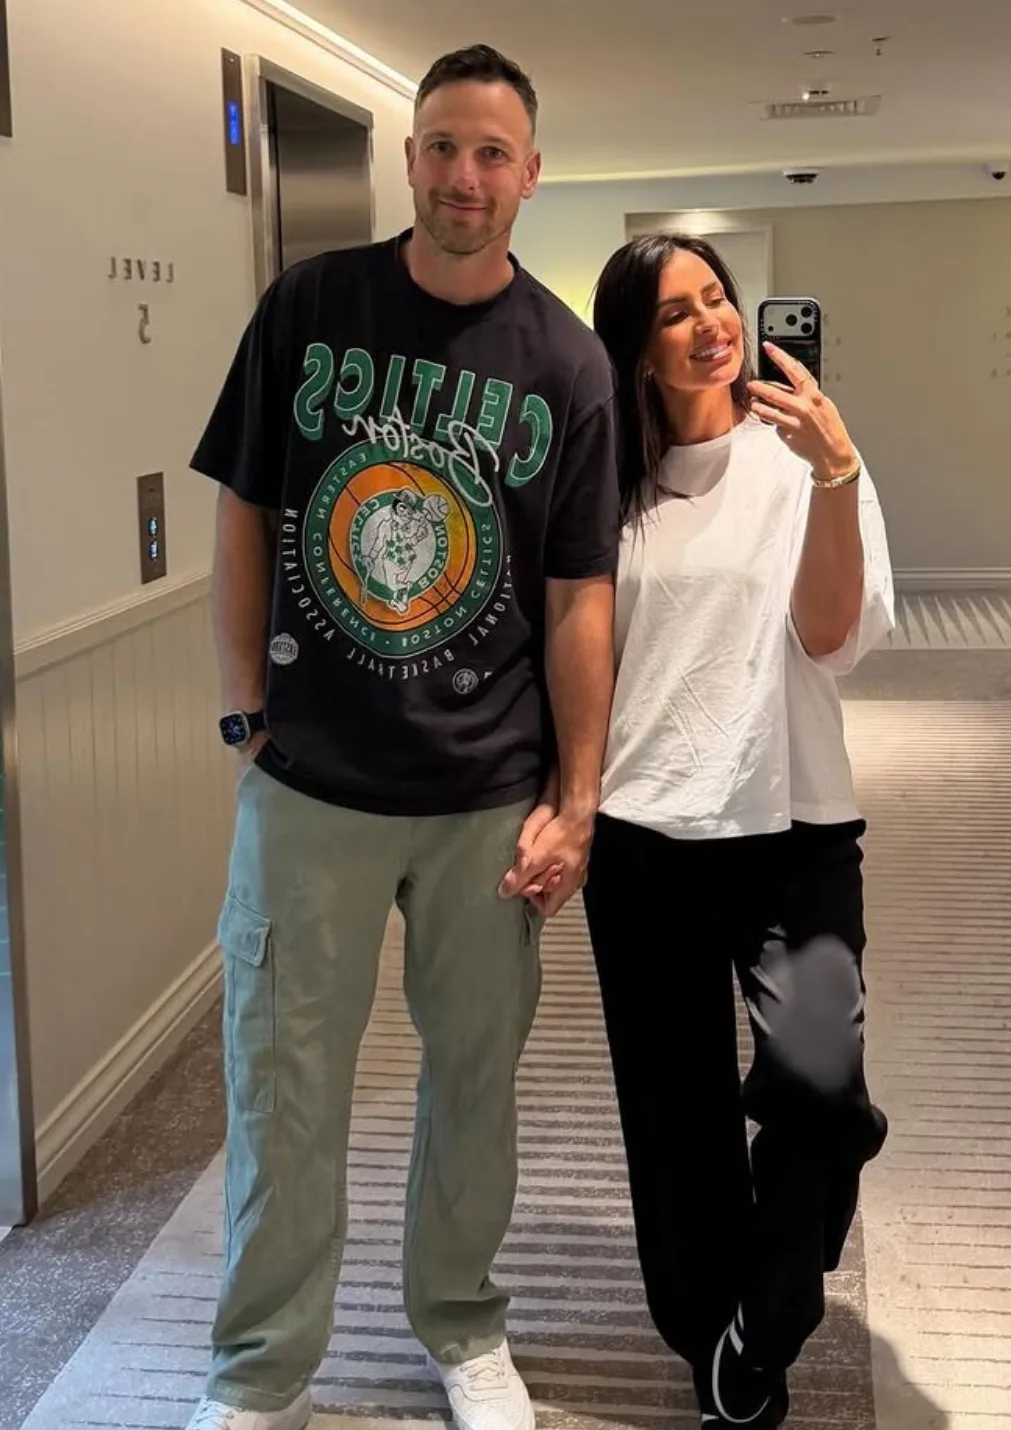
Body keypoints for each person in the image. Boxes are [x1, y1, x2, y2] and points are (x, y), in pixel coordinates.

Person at [185, 44, 617, 1430]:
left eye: (492, 153)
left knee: (474, 1085)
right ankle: (261, 1372)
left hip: (486, 790)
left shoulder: (567, 361)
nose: (462, 176)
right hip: (309, 779)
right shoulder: (310, 307)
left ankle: (463, 1327)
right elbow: (245, 506)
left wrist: (579, 797)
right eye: (441, 146)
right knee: (282, 1083)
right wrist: (246, 710)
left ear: (530, 174)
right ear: (408, 157)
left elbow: (579, 595)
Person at [581, 233, 893, 1429]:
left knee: (821, 1088)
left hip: (796, 827)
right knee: (674, 1118)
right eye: (676, 312)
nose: (711, 324)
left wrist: (835, 472)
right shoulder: (607, 486)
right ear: (637, 349)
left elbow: (829, 634)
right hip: (643, 836)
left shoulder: (807, 458)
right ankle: (716, 1341)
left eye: (717, 297)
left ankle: (774, 1307)